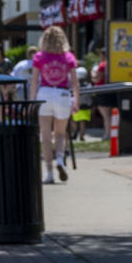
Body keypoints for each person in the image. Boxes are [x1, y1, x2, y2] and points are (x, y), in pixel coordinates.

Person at [29, 25, 83, 183]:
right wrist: (76, 100)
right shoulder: (68, 57)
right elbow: (75, 82)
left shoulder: (39, 57)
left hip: (45, 92)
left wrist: (33, 100)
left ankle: (49, 173)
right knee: (60, 133)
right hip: (62, 94)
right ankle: (60, 159)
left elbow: (34, 82)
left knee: (45, 136)